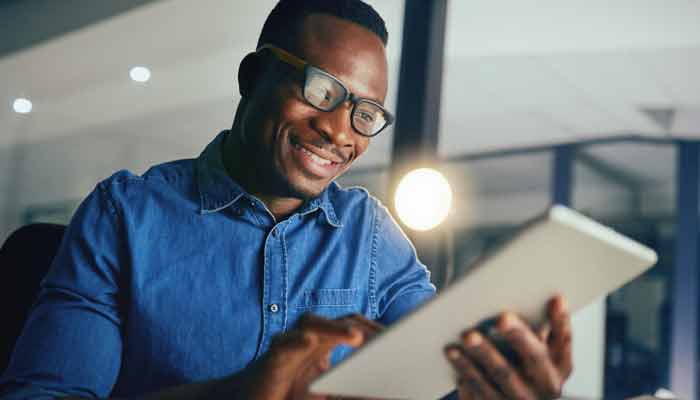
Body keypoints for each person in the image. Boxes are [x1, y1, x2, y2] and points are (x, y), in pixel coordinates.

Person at [0, 1, 573, 399]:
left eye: (364, 113)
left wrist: (503, 382)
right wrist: (237, 394)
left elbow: (438, 379)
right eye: (321, 90)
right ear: (253, 78)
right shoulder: (124, 215)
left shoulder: (370, 233)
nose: (338, 130)